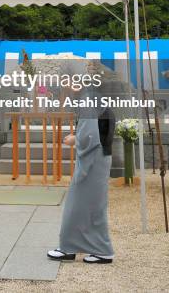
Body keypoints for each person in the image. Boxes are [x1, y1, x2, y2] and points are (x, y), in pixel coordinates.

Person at [48, 85, 115, 265]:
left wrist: (74, 139)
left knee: (78, 204)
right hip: (99, 156)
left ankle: (84, 249)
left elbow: (89, 135)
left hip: (94, 158)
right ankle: (75, 248)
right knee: (90, 205)